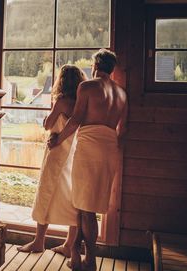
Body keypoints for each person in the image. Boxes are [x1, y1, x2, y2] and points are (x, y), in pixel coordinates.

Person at [48, 49, 128, 271]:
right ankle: (79, 256)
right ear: (112, 69)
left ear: (95, 66)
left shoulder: (88, 87)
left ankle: (86, 258)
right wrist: (111, 151)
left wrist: (58, 140)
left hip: (89, 145)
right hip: (110, 147)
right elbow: (124, 130)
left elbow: (76, 120)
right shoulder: (122, 93)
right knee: (91, 205)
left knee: (84, 206)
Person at [17, 65, 87, 256]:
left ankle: (39, 241)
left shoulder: (62, 101)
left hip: (56, 151)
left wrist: (47, 117)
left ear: (61, 81)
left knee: (45, 193)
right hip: (73, 153)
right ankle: (68, 244)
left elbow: (48, 125)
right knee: (73, 198)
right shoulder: (81, 103)